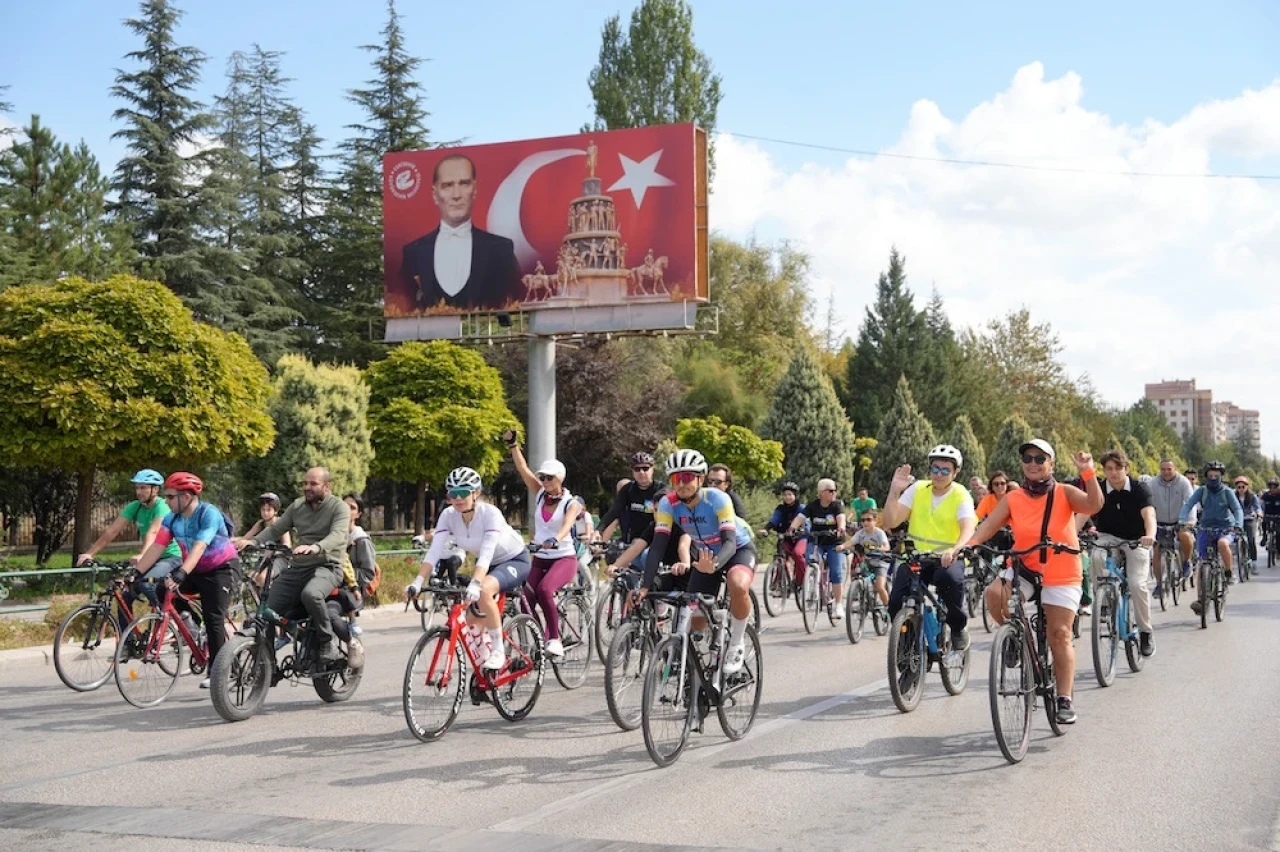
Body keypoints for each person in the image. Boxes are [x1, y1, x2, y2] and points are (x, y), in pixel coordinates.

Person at [969, 439, 1103, 725]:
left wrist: (1088, 473)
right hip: (1026, 566)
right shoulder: (1013, 498)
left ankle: (1064, 698)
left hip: (1062, 569)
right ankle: (1014, 640)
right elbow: (986, 527)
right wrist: (965, 546)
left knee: (1059, 634)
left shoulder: (1065, 492)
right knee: (995, 593)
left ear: (1050, 464)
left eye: (1039, 458)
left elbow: (1094, 503)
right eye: (1027, 458)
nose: (1032, 463)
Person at [637, 449, 757, 674]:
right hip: (705, 555)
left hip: (737, 549)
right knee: (696, 620)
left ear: (700, 478)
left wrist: (715, 565)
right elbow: (658, 546)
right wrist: (645, 585)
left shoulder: (717, 498)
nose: (681, 484)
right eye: (676, 479)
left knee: (737, 583)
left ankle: (737, 643)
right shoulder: (667, 504)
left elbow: (729, 542)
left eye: (687, 477)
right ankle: (698, 671)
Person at [405, 467, 531, 671]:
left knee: (483, 590)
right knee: (470, 625)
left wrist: (475, 582)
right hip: (488, 565)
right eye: (453, 493)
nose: (458, 498)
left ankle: (498, 650)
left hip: (514, 559)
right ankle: (487, 671)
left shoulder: (490, 514)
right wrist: (417, 582)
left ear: (476, 493)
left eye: (464, 492)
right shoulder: (448, 515)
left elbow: (488, 552)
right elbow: (434, 551)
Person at [131, 472, 241, 688]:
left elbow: (200, 546)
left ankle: (218, 671)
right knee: (163, 590)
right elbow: (157, 546)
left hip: (221, 569)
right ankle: (193, 627)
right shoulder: (172, 518)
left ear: (187, 497)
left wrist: (181, 572)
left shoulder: (208, 514)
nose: (167, 501)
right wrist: (138, 572)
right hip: (194, 569)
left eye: (171, 497)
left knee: (214, 619)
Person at [236, 467, 351, 663]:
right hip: (299, 567)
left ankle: (327, 641)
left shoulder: (339, 507)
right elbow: (276, 529)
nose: (307, 487)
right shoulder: (297, 506)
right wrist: (253, 542)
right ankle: (266, 664)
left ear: (327, 486)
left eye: (313, 484)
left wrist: (316, 547)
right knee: (265, 612)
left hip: (328, 566)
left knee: (311, 594)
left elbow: (338, 536)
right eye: (305, 483)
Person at [880, 445, 976, 651]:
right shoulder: (917, 489)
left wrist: (955, 549)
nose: (938, 475)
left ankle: (958, 627)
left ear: (955, 472)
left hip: (948, 558)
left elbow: (968, 527)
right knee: (895, 602)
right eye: (935, 469)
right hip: (916, 556)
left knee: (948, 580)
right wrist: (894, 491)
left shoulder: (961, 495)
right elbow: (890, 521)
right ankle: (908, 654)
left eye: (945, 470)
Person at [401, 153, 521, 311]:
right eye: (447, 186)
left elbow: (515, 304)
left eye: (464, 184)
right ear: (435, 194)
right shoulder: (413, 253)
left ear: (475, 190)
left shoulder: (501, 249)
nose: (456, 195)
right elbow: (404, 305)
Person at [505, 431, 583, 660]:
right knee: (525, 597)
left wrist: (556, 539)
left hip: (563, 557)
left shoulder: (572, 502)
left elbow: (567, 524)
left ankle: (555, 638)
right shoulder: (540, 494)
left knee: (545, 589)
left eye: (550, 477)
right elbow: (523, 469)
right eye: (543, 477)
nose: (545, 481)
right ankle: (540, 636)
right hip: (540, 556)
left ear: (560, 478)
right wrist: (513, 445)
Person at [77, 469, 183, 621]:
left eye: (143, 488)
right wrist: (90, 553)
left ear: (155, 489)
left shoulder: (162, 506)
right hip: (150, 557)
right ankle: (129, 642)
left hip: (170, 557)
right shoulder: (136, 506)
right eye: (137, 487)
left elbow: (153, 533)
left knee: (146, 584)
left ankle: (170, 619)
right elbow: (112, 531)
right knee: (124, 597)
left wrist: (142, 555)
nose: (139, 492)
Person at [1088, 449, 1157, 657]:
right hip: (1108, 536)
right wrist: (1070, 535)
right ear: (1104, 471)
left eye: (1118, 468)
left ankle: (1145, 632)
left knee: (1137, 584)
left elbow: (1149, 515)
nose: (1114, 472)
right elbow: (1083, 514)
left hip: (1137, 539)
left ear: (1126, 468)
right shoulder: (1100, 489)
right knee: (1096, 555)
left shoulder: (1139, 489)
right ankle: (1105, 601)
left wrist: (1150, 536)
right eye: (1109, 469)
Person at [1180, 461, 1244, 612]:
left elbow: (1237, 509)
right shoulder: (1202, 491)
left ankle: (1228, 573)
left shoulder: (1227, 492)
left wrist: (1238, 525)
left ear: (1222, 476)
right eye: (1210, 475)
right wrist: (1182, 520)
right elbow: (1188, 505)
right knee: (1203, 564)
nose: (1213, 478)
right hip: (1205, 529)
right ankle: (1201, 600)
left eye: (1216, 475)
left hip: (1225, 528)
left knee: (1223, 544)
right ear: (1206, 476)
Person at [787, 478, 849, 620]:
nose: (834, 493)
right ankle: (813, 585)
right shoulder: (812, 506)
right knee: (811, 561)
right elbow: (800, 517)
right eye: (831, 490)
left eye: (835, 490)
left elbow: (841, 518)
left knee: (836, 572)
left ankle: (839, 604)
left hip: (834, 542)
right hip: (817, 541)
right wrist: (792, 528)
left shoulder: (837, 505)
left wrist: (841, 528)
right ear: (821, 493)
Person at [597, 452, 666, 546]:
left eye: (645, 468)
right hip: (632, 542)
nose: (641, 472)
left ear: (652, 470)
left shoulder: (661, 489)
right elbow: (614, 511)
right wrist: (598, 531)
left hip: (655, 540)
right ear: (632, 472)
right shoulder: (628, 489)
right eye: (637, 469)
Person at [1147, 459, 1194, 595]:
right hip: (1159, 521)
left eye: (1169, 469)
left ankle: (1187, 561)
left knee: (1185, 536)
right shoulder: (1153, 483)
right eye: (1163, 469)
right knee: (1156, 551)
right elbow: (1147, 502)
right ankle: (1159, 584)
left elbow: (1190, 502)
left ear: (1175, 469)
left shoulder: (1183, 482)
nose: (1166, 472)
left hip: (1179, 521)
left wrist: (1189, 521)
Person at [760, 482, 807, 583]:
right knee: (781, 556)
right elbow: (774, 520)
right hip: (786, 538)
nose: (787, 497)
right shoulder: (781, 509)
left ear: (796, 495)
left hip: (801, 537)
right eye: (785, 495)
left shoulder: (801, 508)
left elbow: (806, 523)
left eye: (790, 494)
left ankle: (801, 581)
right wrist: (766, 529)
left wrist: (801, 530)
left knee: (797, 554)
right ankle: (779, 583)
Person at [851, 510, 891, 605]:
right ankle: (862, 598)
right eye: (863, 520)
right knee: (858, 573)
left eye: (869, 520)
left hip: (880, 563)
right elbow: (851, 542)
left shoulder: (879, 533)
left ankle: (888, 609)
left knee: (880, 587)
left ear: (875, 521)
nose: (865, 522)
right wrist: (842, 547)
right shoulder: (861, 533)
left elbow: (887, 547)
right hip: (867, 561)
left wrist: (879, 548)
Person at [344, 494, 377, 600]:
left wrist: (344, 574)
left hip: (352, 591)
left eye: (352, 508)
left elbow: (368, 573)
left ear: (358, 514)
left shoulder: (361, 540)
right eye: (343, 506)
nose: (347, 510)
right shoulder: (331, 535)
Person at [1233, 476, 1261, 563]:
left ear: (1247, 487)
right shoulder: (1233, 497)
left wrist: (1259, 513)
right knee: (1234, 539)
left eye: (1243, 487)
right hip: (1237, 520)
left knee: (1251, 540)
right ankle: (1239, 556)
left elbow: (1257, 507)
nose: (1241, 489)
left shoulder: (1252, 496)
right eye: (1239, 487)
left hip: (1249, 519)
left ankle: (1254, 562)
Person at [1260, 478, 1280, 553]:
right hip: (1268, 515)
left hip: (1278, 516)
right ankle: (1264, 536)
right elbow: (1260, 503)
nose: (1272, 489)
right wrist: (1259, 512)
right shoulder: (1266, 495)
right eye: (1270, 487)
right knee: (1263, 522)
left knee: (1278, 533)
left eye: (1274, 487)